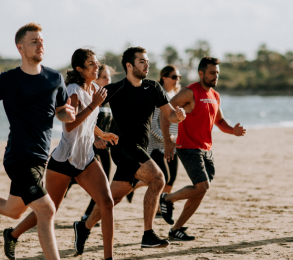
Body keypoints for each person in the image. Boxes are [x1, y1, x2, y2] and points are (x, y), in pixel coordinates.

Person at [0, 23, 76, 260]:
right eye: (33, 42)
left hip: (40, 157)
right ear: (20, 48)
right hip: (18, 157)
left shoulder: (54, 78)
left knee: (14, 211)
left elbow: (60, 111)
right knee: (46, 210)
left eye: (41, 41)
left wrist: (67, 115)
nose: (40, 45)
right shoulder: (8, 80)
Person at [4, 49, 118, 260]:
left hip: (86, 158)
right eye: (91, 64)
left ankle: (108, 258)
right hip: (64, 160)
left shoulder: (94, 88)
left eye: (97, 63)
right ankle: (12, 234)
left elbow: (89, 122)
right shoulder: (73, 90)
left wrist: (102, 133)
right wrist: (94, 104)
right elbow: (70, 126)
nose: (97, 67)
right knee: (49, 209)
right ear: (80, 69)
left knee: (107, 203)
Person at [73, 47, 186, 252]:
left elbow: (169, 115)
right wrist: (97, 136)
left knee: (113, 198)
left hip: (140, 148)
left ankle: (84, 226)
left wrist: (178, 116)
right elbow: (87, 112)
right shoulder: (115, 89)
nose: (147, 64)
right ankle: (148, 234)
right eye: (142, 61)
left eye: (147, 61)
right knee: (158, 178)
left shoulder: (153, 88)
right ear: (129, 65)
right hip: (123, 147)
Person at [159, 57, 246, 241]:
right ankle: (167, 199)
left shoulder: (215, 95)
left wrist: (233, 131)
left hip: (206, 149)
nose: (216, 76)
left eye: (217, 73)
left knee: (201, 190)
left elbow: (220, 122)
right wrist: (167, 140)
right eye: (212, 73)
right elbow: (164, 112)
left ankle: (176, 230)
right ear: (201, 73)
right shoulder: (189, 92)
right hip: (188, 147)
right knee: (202, 186)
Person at [126, 65, 182, 209]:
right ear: (164, 78)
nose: (177, 80)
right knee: (164, 177)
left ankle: (160, 208)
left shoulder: (174, 95)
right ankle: (133, 185)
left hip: (172, 143)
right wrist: (167, 139)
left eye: (179, 77)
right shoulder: (160, 95)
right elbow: (152, 125)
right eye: (174, 77)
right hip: (157, 145)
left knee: (172, 178)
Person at [81, 64, 117, 222]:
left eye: (109, 77)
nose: (108, 80)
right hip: (90, 147)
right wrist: (96, 138)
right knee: (74, 181)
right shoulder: (92, 98)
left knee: (104, 184)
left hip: (105, 148)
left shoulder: (109, 99)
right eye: (104, 77)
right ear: (95, 79)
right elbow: (84, 121)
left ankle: (89, 214)